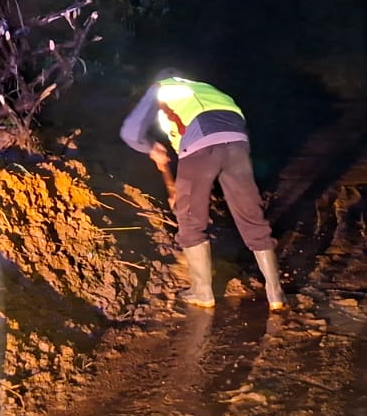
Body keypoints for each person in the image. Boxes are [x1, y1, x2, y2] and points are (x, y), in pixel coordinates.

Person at [120, 69, 285, 310]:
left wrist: (150, 146)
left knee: (189, 217)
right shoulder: (208, 90)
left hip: (201, 146)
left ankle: (202, 290)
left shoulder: (160, 88)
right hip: (238, 144)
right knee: (251, 215)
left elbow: (131, 132)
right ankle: (276, 292)